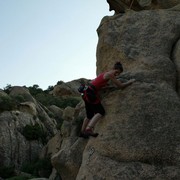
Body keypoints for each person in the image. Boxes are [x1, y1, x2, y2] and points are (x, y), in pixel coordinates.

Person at [79, 61, 135, 138]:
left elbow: (97, 84)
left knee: (89, 115)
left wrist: (107, 87)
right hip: (91, 93)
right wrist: (130, 82)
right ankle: (88, 129)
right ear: (114, 69)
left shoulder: (104, 73)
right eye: (117, 72)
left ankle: (82, 132)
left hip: (86, 92)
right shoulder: (110, 75)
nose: (116, 74)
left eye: (118, 74)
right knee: (100, 112)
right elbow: (121, 86)